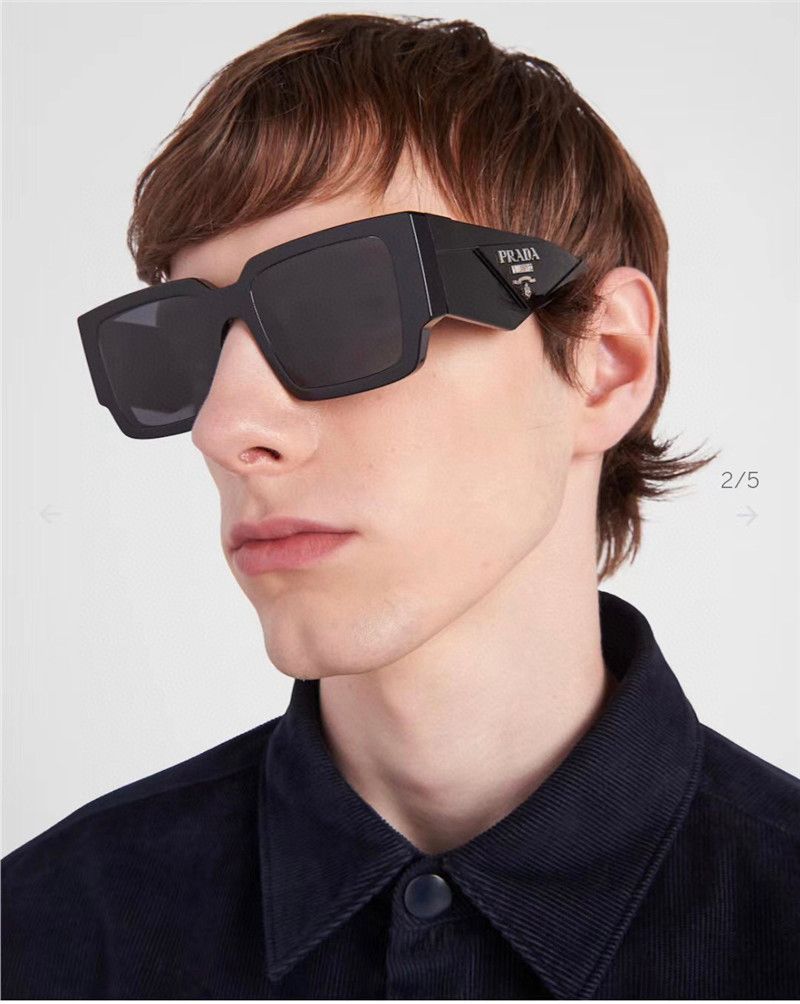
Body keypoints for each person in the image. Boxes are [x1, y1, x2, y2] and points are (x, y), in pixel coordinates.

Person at [3, 12, 799, 1000]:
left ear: (604, 361)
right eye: (182, 343)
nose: (225, 424)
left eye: (345, 309)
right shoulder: (43, 937)